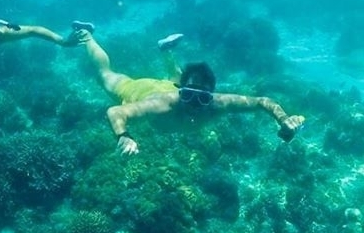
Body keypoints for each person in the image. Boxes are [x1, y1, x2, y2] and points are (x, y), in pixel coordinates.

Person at [73, 25, 305, 155]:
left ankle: (166, 50)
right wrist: (124, 137)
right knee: (105, 75)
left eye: (202, 98)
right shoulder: (162, 104)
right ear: (180, 93)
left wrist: (284, 119)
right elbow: (115, 112)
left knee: (176, 79)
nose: (194, 104)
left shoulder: (219, 103)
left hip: (170, 86)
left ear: (211, 96)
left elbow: (262, 101)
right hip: (141, 90)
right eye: (188, 95)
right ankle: (87, 34)